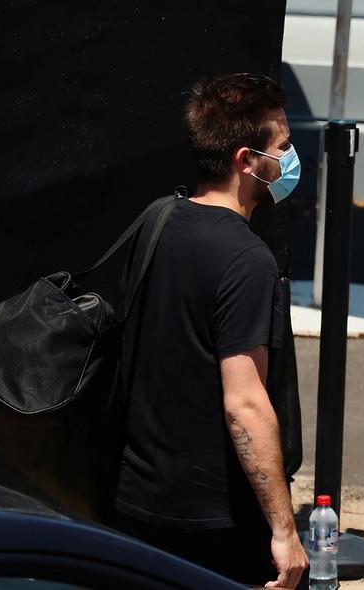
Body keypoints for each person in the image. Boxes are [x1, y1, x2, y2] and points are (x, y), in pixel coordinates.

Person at [112, 73, 308, 588]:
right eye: (282, 147)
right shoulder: (246, 259)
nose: (290, 159)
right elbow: (245, 404)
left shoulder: (157, 219)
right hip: (214, 523)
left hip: (137, 502)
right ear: (247, 161)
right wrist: (284, 531)